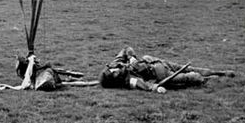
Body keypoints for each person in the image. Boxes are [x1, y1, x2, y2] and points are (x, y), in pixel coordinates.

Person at [100, 46, 235, 93]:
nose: (116, 70)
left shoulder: (115, 64)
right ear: (115, 79)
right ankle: (212, 79)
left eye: (113, 70)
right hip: (161, 74)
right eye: (115, 74)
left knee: (193, 70)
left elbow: (126, 49)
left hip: (156, 62)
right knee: (191, 77)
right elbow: (144, 85)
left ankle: (218, 72)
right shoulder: (128, 80)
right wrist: (156, 88)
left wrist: (131, 57)